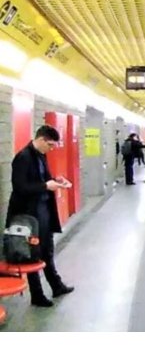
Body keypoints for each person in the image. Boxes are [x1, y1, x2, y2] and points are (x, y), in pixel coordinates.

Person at [5, 125, 75, 307]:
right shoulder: (22, 158)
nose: (51, 149)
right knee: (32, 253)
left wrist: (57, 181)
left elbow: (44, 179)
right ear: (41, 139)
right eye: (50, 145)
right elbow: (20, 187)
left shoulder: (41, 155)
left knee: (47, 250)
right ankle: (37, 295)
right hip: (28, 214)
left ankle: (56, 285)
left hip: (43, 211)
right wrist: (45, 186)